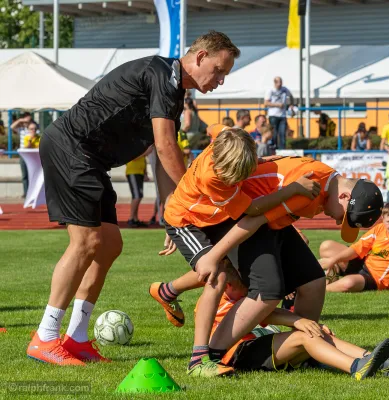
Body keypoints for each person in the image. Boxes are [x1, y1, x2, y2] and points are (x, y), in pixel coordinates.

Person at [27, 30, 241, 366]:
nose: (220, 80)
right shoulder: (163, 76)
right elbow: (167, 146)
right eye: (218, 70)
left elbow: (159, 153)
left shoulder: (174, 93)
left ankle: (77, 338)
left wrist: (174, 216)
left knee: (110, 244)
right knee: (86, 242)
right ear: (200, 57)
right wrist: (188, 203)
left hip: (90, 160)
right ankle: (45, 337)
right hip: (71, 148)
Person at [155, 155, 383, 377]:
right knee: (262, 288)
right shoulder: (309, 186)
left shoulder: (322, 179)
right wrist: (215, 254)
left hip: (259, 223)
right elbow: (253, 217)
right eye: (343, 217)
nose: (336, 221)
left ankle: (313, 354)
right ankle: (209, 356)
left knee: (313, 281)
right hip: (228, 220)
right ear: (343, 196)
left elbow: (271, 164)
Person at [152, 125, 322, 376]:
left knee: (227, 271)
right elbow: (252, 210)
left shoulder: (226, 136)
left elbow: (216, 128)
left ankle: (167, 291)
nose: (239, 182)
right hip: (186, 221)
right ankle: (198, 360)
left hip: (210, 217)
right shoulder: (213, 178)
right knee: (216, 274)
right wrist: (293, 189)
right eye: (234, 178)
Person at [207, 264, 389, 380]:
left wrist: (307, 323)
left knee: (315, 334)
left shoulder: (234, 296)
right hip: (237, 356)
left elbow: (268, 311)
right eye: (248, 289)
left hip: (252, 349)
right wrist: (299, 321)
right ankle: (356, 367)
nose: (253, 295)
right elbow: (263, 314)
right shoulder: (219, 302)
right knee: (303, 336)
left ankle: (381, 362)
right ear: (228, 287)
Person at [319, 201, 389, 292]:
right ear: (383, 219)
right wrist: (333, 260)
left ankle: (323, 288)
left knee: (348, 283)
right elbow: (357, 249)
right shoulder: (379, 228)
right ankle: (335, 269)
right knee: (326, 246)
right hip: (363, 263)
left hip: (377, 279)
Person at [265, 77, 294, 149]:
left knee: (282, 134)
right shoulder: (270, 90)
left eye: (281, 82)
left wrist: (291, 104)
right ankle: (273, 148)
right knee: (273, 134)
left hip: (282, 115)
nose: (280, 84)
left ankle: (282, 150)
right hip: (273, 115)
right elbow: (266, 103)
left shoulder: (284, 89)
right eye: (278, 82)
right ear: (275, 83)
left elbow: (291, 96)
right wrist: (277, 105)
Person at [125, 150, 150, 228]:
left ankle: (135, 219)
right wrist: (146, 152)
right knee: (137, 196)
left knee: (139, 195)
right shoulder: (130, 145)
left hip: (139, 172)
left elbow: (144, 159)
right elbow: (133, 158)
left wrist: (145, 173)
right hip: (133, 171)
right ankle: (131, 218)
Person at [12, 112, 34, 197]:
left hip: (32, 154)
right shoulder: (21, 129)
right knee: (24, 174)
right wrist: (21, 120)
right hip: (23, 154)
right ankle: (26, 192)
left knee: (32, 173)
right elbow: (12, 127)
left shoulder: (33, 128)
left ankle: (32, 192)